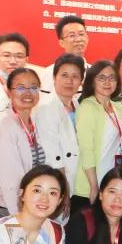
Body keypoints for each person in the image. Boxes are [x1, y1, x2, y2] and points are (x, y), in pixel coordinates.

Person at [0, 67, 46, 224]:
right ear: (9, 91)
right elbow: (10, 183)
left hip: (29, 205)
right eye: (20, 88)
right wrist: (20, 217)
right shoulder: (3, 126)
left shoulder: (34, 121)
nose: (28, 93)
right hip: (9, 208)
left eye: (33, 87)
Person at [73, 61, 122, 215]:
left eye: (112, 78)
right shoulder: (88, 106)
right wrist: (93, 185)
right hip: (90, 184)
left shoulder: (118, 107)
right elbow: (86, 148)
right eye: (101, 78)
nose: (107, 82)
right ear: (92, 81)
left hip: (110, 181)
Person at [33, 53, 84, 189]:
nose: (69, 81)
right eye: (64, 75)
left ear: (81, 81)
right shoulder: (46, 107)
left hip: (77, 177)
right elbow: (51, 153)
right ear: (54, 77)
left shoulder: (76, 104)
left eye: (75, 76)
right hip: (57, 179)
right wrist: (62, 187)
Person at [42, 15, 89, 93]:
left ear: (87, 37)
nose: (78, 39)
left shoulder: (96, 73)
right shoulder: (48, 74)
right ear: (61, 42)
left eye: (81, 34)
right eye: (72, 35)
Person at [0, 32, 29, 113]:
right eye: (6, 55)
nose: (12, 61)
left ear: (26, 60)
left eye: (19, 56)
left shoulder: (34, 89)